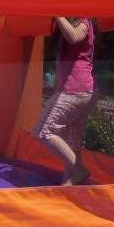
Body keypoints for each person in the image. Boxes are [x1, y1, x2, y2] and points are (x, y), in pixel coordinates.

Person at [33, 17, 98, 186]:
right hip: (82, 91)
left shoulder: (85, 21)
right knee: (72, 144)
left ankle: (79, 169)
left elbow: (75, 37)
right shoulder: (75, 23)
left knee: (45, 131)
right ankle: (67, 186)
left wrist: (58, 14)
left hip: (75, 90)